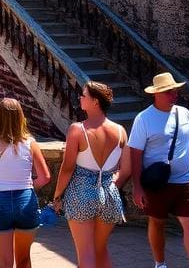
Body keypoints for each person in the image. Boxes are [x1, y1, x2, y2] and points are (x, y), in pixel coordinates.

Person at [128, 72, 189, 268]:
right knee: (157, 222)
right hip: (157, 182)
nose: (174, 95)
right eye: (169, 92)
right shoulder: (144, 119)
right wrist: (137, 187)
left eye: (175, 91)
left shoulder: (184, 113)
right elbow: (135, 154)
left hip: (186, 180)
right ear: (157, 94)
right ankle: (160, 263)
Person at [51, 81, 127, 268]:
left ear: (95, 102)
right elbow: (124, 169)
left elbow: (68, 168)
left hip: (81, 193)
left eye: (84, 95)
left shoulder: (78, 129)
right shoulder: (120, 131)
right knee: (101, 250)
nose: (80, 98)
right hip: (109, 194)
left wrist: (57, 195)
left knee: (85, 252)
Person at [0, 98, 51, 268]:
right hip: (25, 199)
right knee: (24, 259)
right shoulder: (31, 143)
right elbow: (45, 176)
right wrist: (30, 186)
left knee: (4, 261)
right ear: (20, 116)